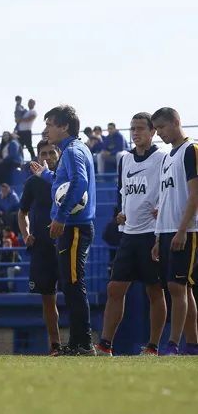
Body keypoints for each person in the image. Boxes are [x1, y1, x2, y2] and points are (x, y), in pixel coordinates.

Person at [96, 112, 166, 356]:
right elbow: (121, 192)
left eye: (140, 129)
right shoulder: (124, 159)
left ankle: (153, 346)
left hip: (152, 234)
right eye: (132, 129)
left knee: (154, 291)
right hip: (129, 234)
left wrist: (162, 209)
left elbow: (171, 191)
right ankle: (105, 345)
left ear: (152, 131)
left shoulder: (162, 158)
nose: (136, 133)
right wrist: (120, 213)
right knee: (115, 289)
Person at [31, 105, 96, 356]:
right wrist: (47, 175)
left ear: (64, 126)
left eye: (49, 124)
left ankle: (84, 344)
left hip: (75, 228)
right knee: (70, 285)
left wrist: (60, 216)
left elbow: (80, 183)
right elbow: (64, 182)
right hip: (74, 227)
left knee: (73, 284)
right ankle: (79, 343)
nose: (46, 129)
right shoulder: (73, 149)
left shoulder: (72, 151)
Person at [151, 107, 198, 356]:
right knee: (183, 288)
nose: (159, 133)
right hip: (167, 230)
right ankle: (192, 345)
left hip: (186, 230)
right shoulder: (168, 156)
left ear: (176, 122)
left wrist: (182, 230)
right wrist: (159, 236)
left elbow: (195, 194)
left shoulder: (191, 150)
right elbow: (166, 198)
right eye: (156, 128)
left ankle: (172, 344)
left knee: (176, 286)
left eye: (162, 127)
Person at [19, 140, 61, 355]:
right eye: (43, 153)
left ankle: (79, 342)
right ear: (37, 157)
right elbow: (22, 212)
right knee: (47, 296)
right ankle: (55, 345)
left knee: (74, 294)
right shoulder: (32, 183)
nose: (47, 157)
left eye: (51, 152)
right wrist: (26, 235)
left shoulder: (68, 178)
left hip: (65, 243)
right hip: (42, 247)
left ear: (58, 153)